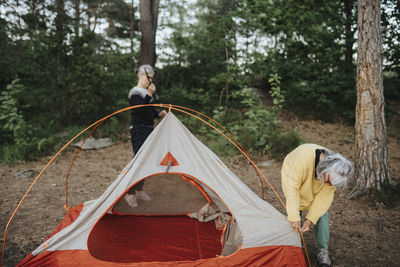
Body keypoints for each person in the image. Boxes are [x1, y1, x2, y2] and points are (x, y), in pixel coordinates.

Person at [281, 144, 353, 267]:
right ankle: (297, 245)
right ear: (325, 170)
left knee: (321, 212)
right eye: (330, 181)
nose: (331, 185)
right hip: (292, 172)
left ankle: (323, 250)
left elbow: (323, 200)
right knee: (295, 208)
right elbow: (292, 190)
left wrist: (309, 221)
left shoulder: (335, 169)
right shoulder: (303, 161)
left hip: (315, 176)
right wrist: (294, 218)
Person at [125, 64, 167, 208]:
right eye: (149, 78)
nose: (150, 81)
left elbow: (148, 111)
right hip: (139, 129)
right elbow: (139, 111)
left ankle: (139, 190)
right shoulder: (135, 93)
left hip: (148, 129)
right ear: (142, 75)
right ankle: (129, 194)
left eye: (152, 78)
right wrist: (149, 94)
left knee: (146, 159)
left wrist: (158, 114)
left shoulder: (145, 92)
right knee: (139, 160)